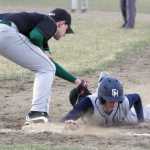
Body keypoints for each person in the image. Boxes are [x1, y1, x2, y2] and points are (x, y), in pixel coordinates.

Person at [0, 8, 85, 124]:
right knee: (46, 68)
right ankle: (37, 114)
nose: (65, 34)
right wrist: (41, 49)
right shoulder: (50, 22)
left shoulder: (40, 27)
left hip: (4, 29)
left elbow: (50, 64)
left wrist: (76, 81)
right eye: (67, 29)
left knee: (47, 66)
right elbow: (35, 36)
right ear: (61, 23)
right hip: (5, 33)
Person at [62, 72, 150, 127]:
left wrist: (140, 120)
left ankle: (103, 79)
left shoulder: (123, 103)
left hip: (130, 116)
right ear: (102, 99)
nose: (115, 103)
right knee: (82, 106)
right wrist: (69, 121)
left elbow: (137, 98)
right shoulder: (89, 103)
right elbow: (68, 118)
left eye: (117, 100)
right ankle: (83, 92)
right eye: (111, 100)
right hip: (89, 106)